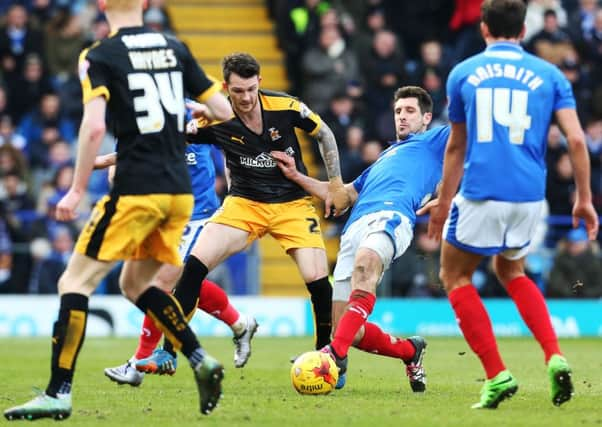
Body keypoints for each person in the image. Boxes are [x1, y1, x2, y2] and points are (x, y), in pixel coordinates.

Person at [4, 0, 234, 421]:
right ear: (145, 4)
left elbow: (93, 127)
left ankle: (58, 391)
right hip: (178, 194)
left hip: (136, 188)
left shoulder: (99, 54)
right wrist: (196, 109)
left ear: (102, 5)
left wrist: (75, 189)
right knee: (136, 284)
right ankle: (201, 359)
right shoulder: (173, 46)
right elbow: (223, 111)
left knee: (74, 282)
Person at [419, 0, 599, 409]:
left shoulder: (463, 73)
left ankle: (497, 374)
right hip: (529, 197)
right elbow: (574, 140)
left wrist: (444, 202)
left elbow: (456, 145)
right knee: (510, 268)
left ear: (483, 28)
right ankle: (554, 355)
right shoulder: (550, 74)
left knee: (455, 274)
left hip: (482, 192)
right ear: (523, 31)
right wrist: (584, 199)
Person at [136, 52, 350, 374]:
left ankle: (328, 358)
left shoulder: (286, 106)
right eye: (238, 91)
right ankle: (168, 352)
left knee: (317, 281)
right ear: (226, 87)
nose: (246, 97)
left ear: (260, 82)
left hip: (291, 203)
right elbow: (167, 142)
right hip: (243, 204)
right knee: (193, 266)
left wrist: (334, 184)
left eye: (251, 89)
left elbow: (324, 133)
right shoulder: (216, 119)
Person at [272, 86, 448, 392]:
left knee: (366, 267)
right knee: (347, 330)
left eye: (409, 111)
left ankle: (332, 356)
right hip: (353, 229)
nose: (402, 117)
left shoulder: (434, 140)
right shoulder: (384, 157)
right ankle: (410, 351)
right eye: (398, 111)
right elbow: (344, 194)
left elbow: (471, 136)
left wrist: (449, 194)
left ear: (426, 118)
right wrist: (297, 177)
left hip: (392, 218)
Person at [98, 142, 258, 387]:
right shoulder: (138, 120)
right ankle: (240, 323)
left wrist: (236, 189)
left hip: (200, 214)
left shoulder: (199, 114)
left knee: (161, 284)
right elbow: (122, 166)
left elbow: (230, 142)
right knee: (184, 283)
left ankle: (138, 364)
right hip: (165, 215)